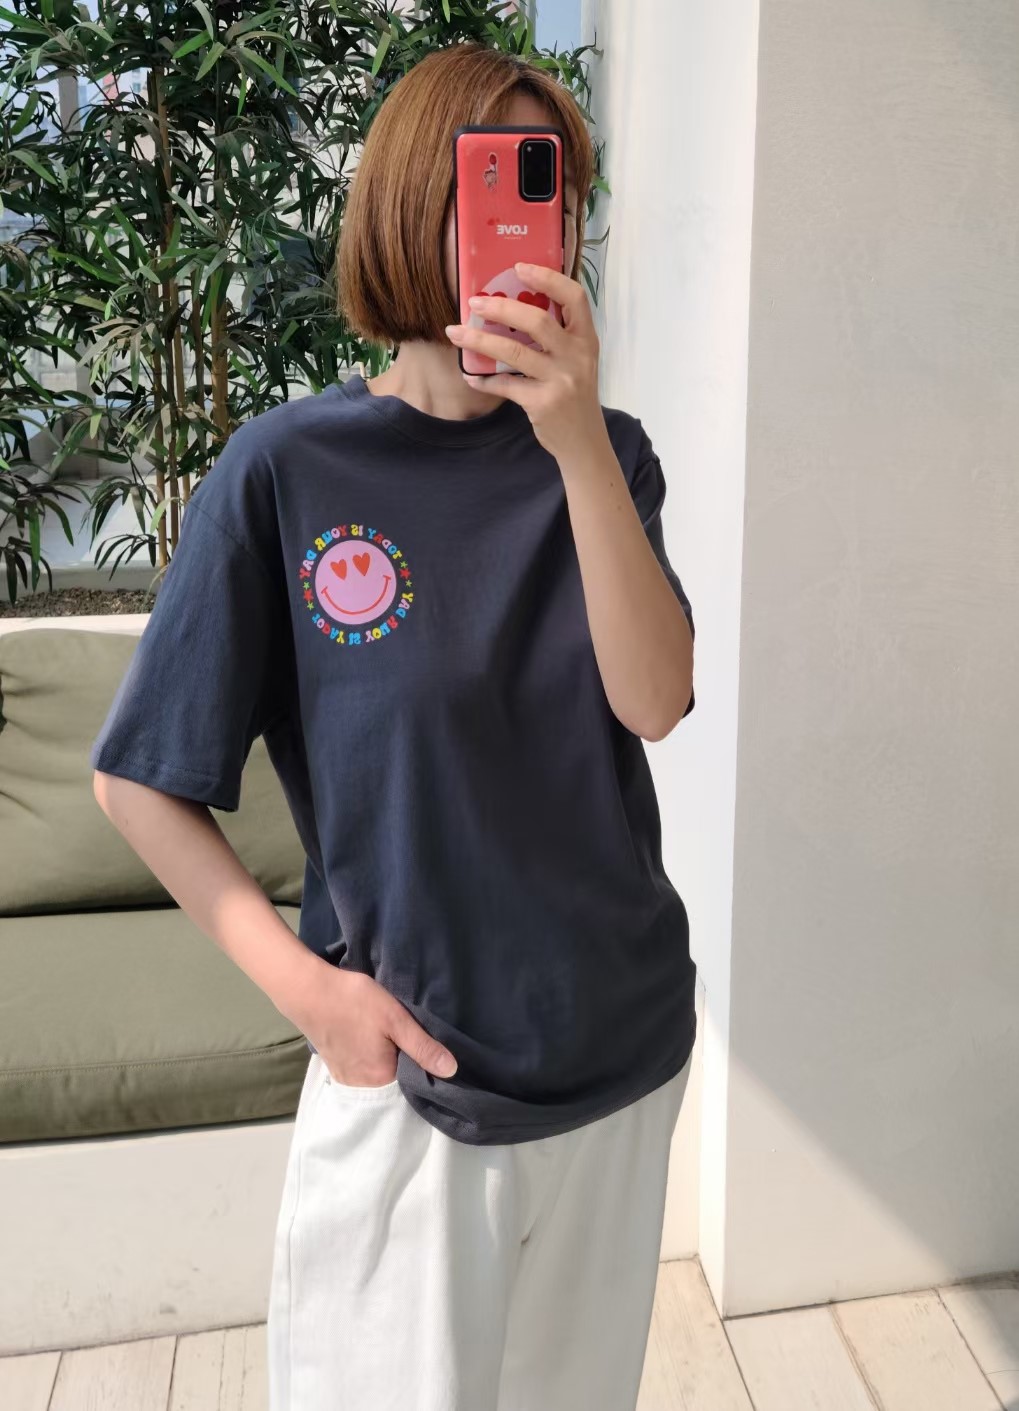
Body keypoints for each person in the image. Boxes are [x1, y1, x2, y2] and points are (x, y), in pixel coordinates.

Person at [90, 40, 697, 1411]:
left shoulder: (612, 457)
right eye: (495, 183)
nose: (531, 227)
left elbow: (655, 701)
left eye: (554, 195)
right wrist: (308, 997)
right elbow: (140, 780)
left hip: (619, 1052)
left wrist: (576, 444)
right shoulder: (287, 470)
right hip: (413, 1087)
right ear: (416, 201)